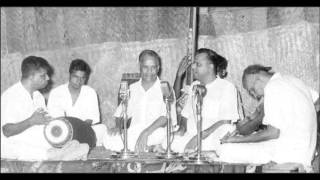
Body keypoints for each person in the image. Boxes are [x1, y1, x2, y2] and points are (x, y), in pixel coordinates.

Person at [217, 64, 319, 171]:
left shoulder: (272, 87)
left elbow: (273, 133)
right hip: (306, 154)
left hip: (287, 153)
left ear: (256, 77)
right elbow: (317, 102)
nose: (255, 95)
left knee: (225, 150)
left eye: (252, 90)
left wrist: (236, 140)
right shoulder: (294, 81)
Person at [103, 49, 177, 153]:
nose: (149, 72)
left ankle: (144, 147)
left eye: (153, 68)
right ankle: (150, 148)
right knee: (107, 138)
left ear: (158, 68)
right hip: (136, 131)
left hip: (155, 131)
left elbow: (165, 117)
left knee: (165, 137)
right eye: (145, 67)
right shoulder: (132, 88)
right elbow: (121, 113)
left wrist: (146, 132)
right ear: (140, 67)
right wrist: (118, 127)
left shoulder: (165, 87)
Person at [169, 48, 240, 153]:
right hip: (190, 136)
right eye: (193, 64)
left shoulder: (227, 87)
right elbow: (185, 115)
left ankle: (203, 152)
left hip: (211, 136)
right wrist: (182, 129)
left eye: (198, 64)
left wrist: (198, 138)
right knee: (167, 140)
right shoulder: (194, 85)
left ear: (210, 67)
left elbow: (226, 121)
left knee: (227, 129)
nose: (193, 67)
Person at [1, 56, 54, 160]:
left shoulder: (38, 96)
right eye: (43, 76)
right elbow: (6, 131)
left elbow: (44, 122)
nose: (48, 78)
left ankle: (57, 152)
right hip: (13, 146)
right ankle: (54, 154)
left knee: (64, 140)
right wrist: (31, 121)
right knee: (50, 152)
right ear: (31, 77)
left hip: (33, 141)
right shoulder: (11, 96)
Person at [47, 59, 106, 146]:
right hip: (62, 132)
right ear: (70, 75)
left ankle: (77, 145)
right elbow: (56, 119)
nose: (79, 81)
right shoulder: (56, 92)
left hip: (83, 130)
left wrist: (79, 131)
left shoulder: (90, 92)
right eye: (76, 77)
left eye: (83, 78)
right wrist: (69, 133)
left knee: (102, 129)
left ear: (86, 78)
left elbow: (91, 118)